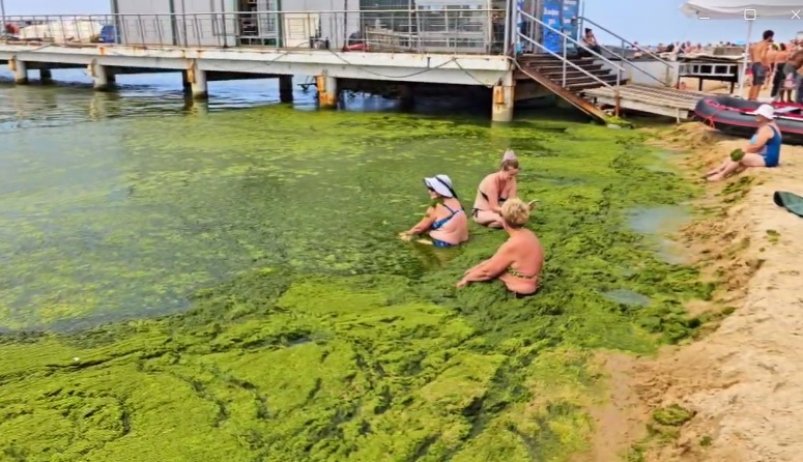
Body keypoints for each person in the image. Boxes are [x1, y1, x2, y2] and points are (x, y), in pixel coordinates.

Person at [457, 198, 544, 297]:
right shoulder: (528, 234)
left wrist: (467, 278)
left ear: (503, 219)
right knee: (478, 269)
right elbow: (496, 261)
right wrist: (476, 268)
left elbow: (488, 272)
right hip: (532, 284)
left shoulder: (513, 244)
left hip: (519, 292)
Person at [704, 104, 782, 182]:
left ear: (765, 117)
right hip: (764, 155)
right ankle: (719, 169)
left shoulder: (766, 128)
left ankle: (721, 175)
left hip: (768, 159)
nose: (757, 115)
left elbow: (756, 145)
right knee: (736, 154)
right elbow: (754, 142)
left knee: (739, 157)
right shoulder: (767, 126)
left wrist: (744, 152)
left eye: (760, 114)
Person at [399, 174, 469, 247]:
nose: (429, 191)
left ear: (441, 190)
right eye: (428, 188)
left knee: (406, 237)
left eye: (432, 189)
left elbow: (420, 227)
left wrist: (408, 233)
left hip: (442, 243)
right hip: (462, 241)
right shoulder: (456, 201)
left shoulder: (436, 205)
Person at [473, 150, 522, 228]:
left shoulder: (512, 180)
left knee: (518, 218)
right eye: (511, 174)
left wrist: (521, 208)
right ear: (502, 169)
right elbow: (494, 207)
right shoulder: (491, 181)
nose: (512, 177)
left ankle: (495, 223)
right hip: (483, 212)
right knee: (505, 220)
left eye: (515, 174)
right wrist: (510, 212)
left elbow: (512, 201)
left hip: (500, 212)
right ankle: (494, 222)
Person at [748, 30, 774, 101]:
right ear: (769, 37)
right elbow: (763, 56)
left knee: (754, 83)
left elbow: (751, 52)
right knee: (758, 83)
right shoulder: (765, 44)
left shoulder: (757, 44)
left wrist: (753, 61)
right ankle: (754, 98)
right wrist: (766, 65)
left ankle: (750, 98)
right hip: (760, 64)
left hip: (755, 64)